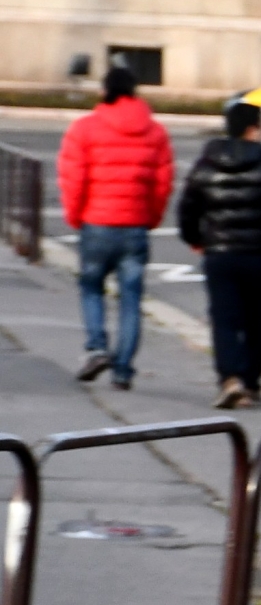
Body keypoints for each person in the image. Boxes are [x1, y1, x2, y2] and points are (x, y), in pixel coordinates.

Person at [178, 102, 261, 408]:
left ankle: (230, 378)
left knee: (224, 319)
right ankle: (251, 383)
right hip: (260, 255)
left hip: (220, 254)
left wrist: (195, 238)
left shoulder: (207, 163)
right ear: (253, 128)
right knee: (256, 321)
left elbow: (188, 206)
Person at [58, 66, 174, 390]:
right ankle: (123, 369)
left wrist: (75, 215)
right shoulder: (155, 132)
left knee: (91, 287)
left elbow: (73, 179)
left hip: (96, 221)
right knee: (131, 299)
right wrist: (151, 217)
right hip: (135, 225)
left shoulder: (84, 129)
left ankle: (96, 347)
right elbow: (162, 184)